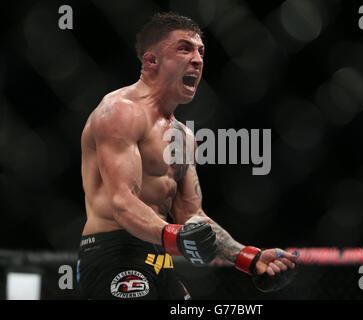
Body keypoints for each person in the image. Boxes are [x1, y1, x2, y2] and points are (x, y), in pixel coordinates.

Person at [77, 12, 298, 300]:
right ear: (151, 60)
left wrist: (248, 258)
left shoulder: (182, 135)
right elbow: (123, 201)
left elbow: (192, 216)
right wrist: (175, 237)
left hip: (159, 256)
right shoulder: (120, 110)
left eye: (201, 51)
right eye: (184, 48)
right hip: (113, 252)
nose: (198, 59)